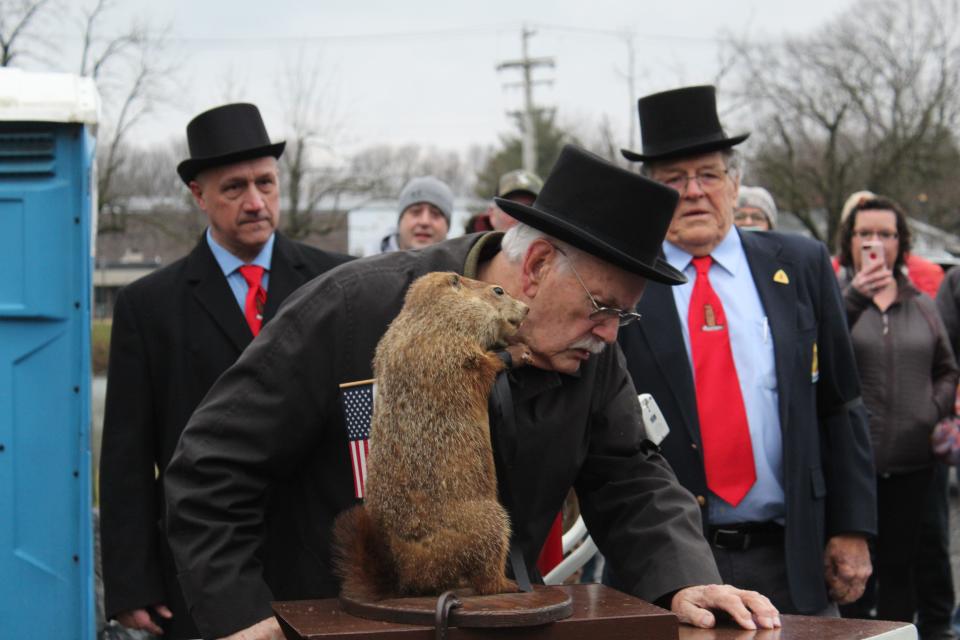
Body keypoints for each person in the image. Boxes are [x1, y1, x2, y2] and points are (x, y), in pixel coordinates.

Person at [164, 144, 783, 640]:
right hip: (340, 622)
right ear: (537, 266)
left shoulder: (591, 347)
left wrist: (686, 580)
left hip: (501, 619)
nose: (609, 333)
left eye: (625, 315)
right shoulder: (355, 309)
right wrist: (240, 616)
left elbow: (629, 475)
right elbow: (214, 464)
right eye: (601, 307)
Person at [617, 85, 877, 616]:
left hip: (793, 552)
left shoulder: (800, 265)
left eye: (708, 174)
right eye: (672, 179)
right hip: (678, 565)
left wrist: (851, 528)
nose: (692, 192)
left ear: (734, 183)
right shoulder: (624, 283)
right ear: (651, 193)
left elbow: (840, 402)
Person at [98, 103, 352, 638]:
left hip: (323, 565)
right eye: (235, 188)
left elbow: (363, 423)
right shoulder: (150, 306)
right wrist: (130, 580)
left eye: (266, 182)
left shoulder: (337, 285)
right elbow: (127, 457)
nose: (256, 202)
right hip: (203, 571)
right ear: (199, 195)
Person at [834, 194, 958, 625]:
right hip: (850, 468)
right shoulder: (834, 298)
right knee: (848, 576)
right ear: (849, 240)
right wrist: (851, 299)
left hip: (911, 465)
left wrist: (932, 409)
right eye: (865, 233)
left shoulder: (921, 305)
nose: (875, 242)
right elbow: (815, 359)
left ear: (900, 242)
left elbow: (947, 367)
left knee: (899, 571)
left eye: (885, 234)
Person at [372, 176, 454, 253]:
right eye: (416, 212)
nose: (424, 222)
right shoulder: (366, 266)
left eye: (435, 214)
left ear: (447, 226)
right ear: (400, 221)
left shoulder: (462, 267)